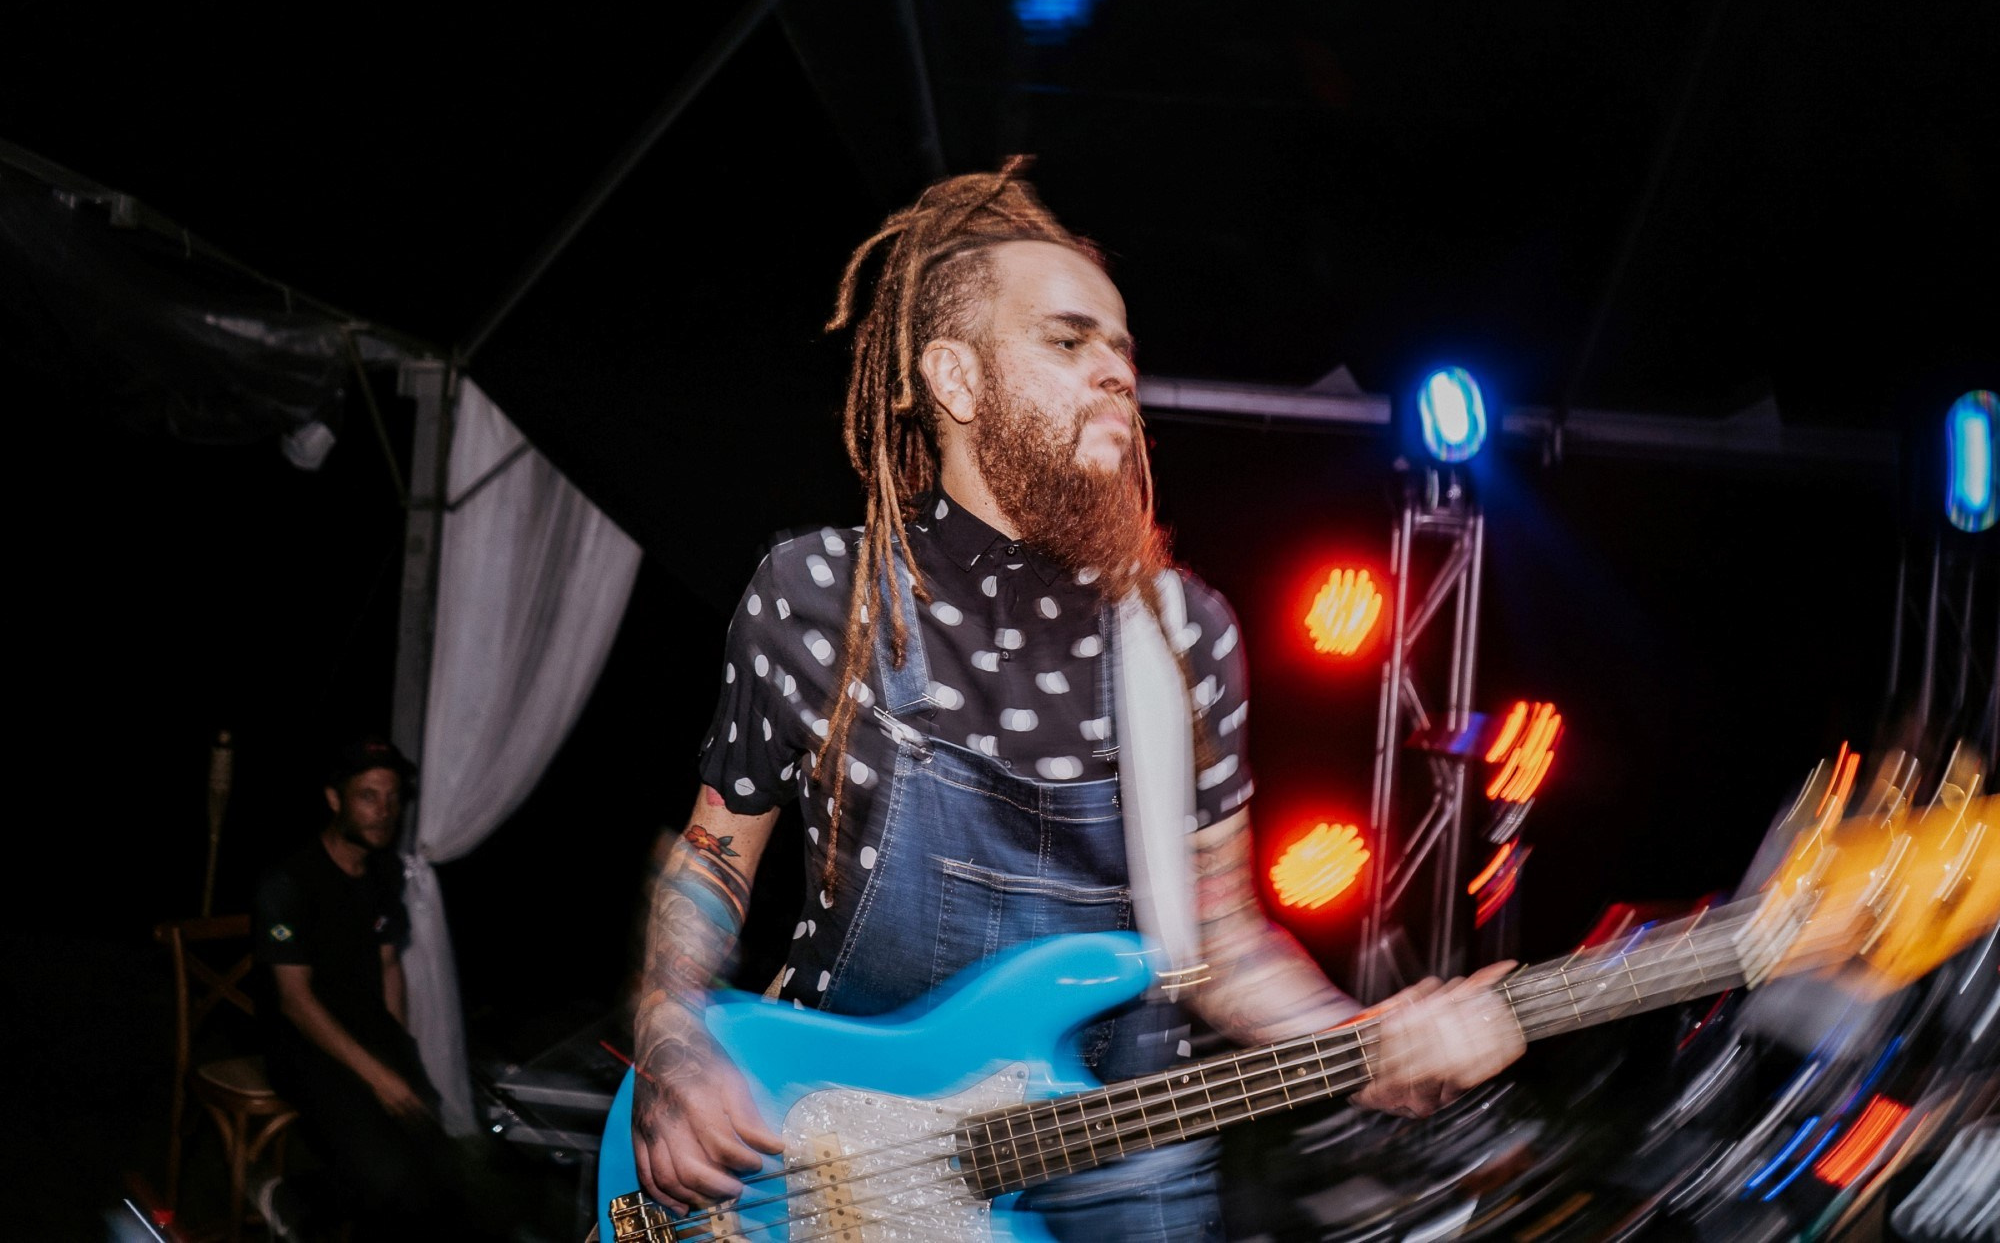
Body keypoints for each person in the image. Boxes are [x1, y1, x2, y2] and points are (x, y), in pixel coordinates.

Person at [629, 159, 1526, 1238]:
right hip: (839, 1154)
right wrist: (671, 1036)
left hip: (1121, 1166)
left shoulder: (1182, 633)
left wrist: (1364, 1041)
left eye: (1122, 349)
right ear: (956, 381)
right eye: (1068, 342)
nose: (1116, 372)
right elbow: (715, 854)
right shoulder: (819, 594)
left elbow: (1224, 941)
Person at [250, 736, 499, 1241]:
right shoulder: (288, 882)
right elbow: (295, 1002)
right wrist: (380, 1077)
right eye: (368, 796)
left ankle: (305, 1202)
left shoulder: (383, 872)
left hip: (369, 1033)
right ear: (334, 798)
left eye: (392, 797)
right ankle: (294, 1197)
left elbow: (388, 964)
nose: (384, 811)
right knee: (390, 1178)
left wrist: (399, 1046)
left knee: (445, 1172)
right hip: (305, 1044)